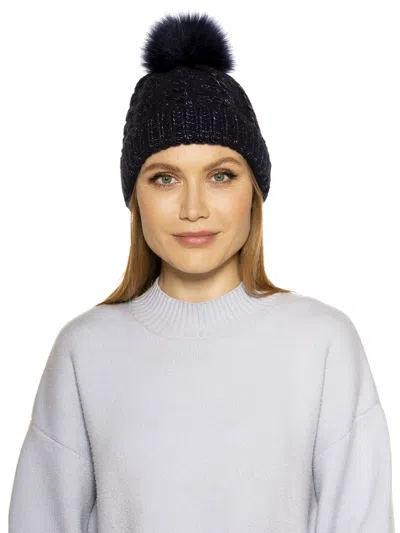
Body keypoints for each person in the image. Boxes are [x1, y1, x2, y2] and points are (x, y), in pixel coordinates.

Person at [8, 11, 395, 533]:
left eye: (221, 175)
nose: (194, 208)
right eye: (165, 178)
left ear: (253, 191)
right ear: (136, 196)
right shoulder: (85, 351)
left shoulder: (322, 344)